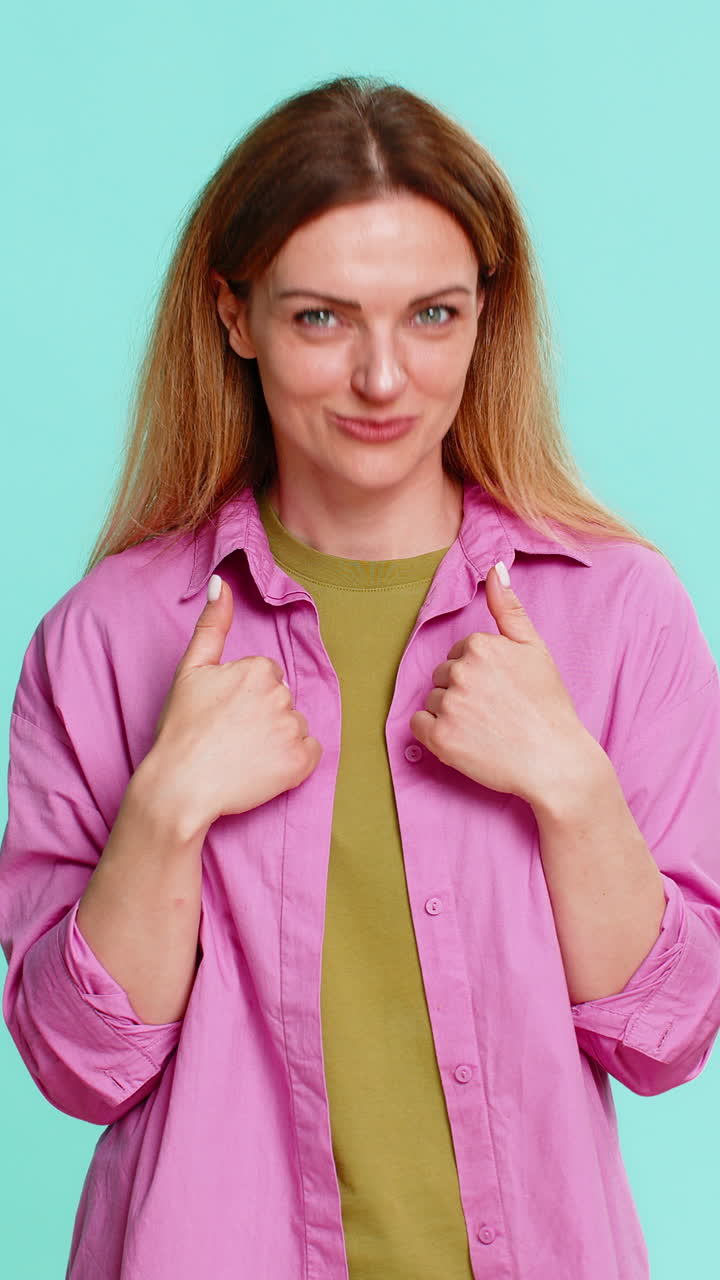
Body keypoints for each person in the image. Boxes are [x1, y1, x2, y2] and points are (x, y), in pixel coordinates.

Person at [1, 73, 719, 1280]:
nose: (385, 379)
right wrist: (166, 808)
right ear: (236, 316)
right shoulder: (110, 637)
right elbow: (79, 1067)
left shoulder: (617, 613)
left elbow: (668, 1035)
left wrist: (572, 788)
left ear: (487, 313)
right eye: (323, 318)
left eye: (432, 315)